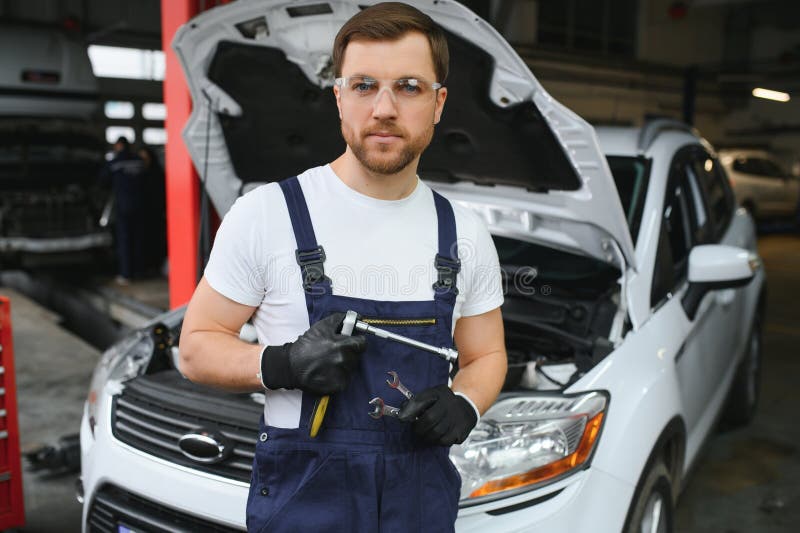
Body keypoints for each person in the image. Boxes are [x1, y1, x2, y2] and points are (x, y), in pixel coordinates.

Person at [179, 3, 507, 531]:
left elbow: (487, 354)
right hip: (306, 499)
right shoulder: (267, 215)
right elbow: (195, 347)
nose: (383, 108)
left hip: (418, 503)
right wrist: (281, 365)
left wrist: (466, 402)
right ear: (338, 97)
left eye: (408, 86)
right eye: (362, 86)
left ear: (439, 102)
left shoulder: (465, 234)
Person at [99, 136, 146, 285]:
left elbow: (103, 180)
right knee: (139, 239)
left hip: (123, 207)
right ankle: (139, 271)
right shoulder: (139, 161)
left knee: (124, 240)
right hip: (140, 206)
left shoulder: (115, 162)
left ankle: (126, 274)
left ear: (119, 145)